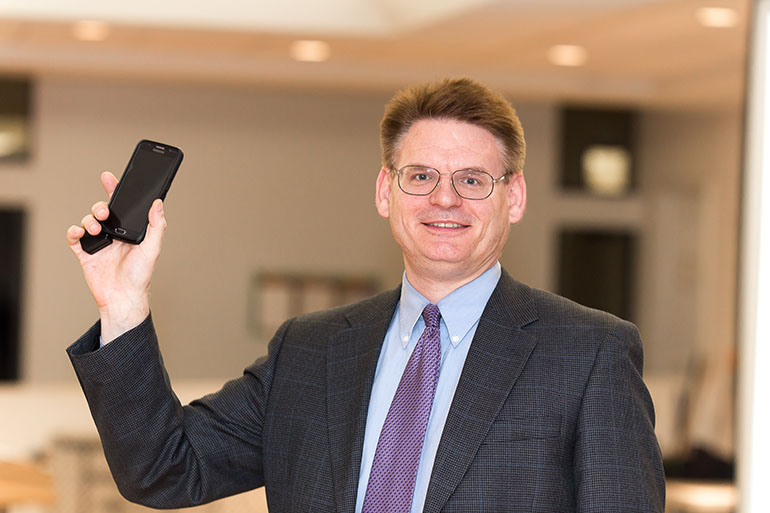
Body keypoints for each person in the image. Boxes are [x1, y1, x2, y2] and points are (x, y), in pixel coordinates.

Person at [66, 78, 665, 513]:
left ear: (515, 198)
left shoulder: (589, 354)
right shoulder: (310, 350)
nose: (445, 199)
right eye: (421, 176)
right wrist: (122, 306)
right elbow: (166, 471)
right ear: (386, 191)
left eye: (473, 180)